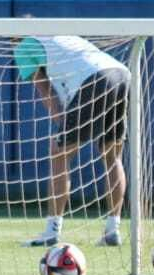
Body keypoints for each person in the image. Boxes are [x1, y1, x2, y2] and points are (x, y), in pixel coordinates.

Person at [14, 34, 131, 248]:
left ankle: (51, 231)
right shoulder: (62, 36)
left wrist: (62, 125)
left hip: (94, 81)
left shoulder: (23, 47)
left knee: (59, 153)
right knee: (112, 155)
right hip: (122, 74)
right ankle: (113, 230)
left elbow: (46, 92)